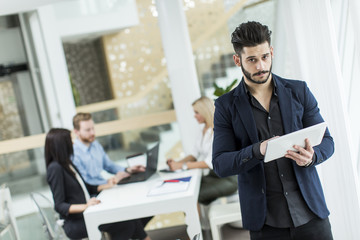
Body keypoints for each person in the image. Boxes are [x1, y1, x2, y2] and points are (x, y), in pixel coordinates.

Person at [212, 21, 334, 240]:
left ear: (272, 52)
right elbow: (221, 164)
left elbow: (327, 141)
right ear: (237, 60)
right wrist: (258, 150)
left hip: (311, 214)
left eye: (265, 57)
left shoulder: (299, 91)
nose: (260, 66)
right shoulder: (225, 107)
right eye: (252, 60)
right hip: (266, 222)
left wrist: (312, 156)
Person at [45, 128, 150, 240]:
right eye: (70, 140)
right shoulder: (55, 168)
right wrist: (86, 206)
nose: (73, 143)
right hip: (75, 223)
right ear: (61, 145)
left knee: (128, 217)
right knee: (126, 223)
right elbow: (59, 205)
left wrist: (108, 185)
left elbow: (86, 188)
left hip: (87, 213)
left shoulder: (67, 163)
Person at [167, 96, 237, 205]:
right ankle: (202, 219)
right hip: (213, 176)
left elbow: (210, 163)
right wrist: (177, 162)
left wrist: (182, 166)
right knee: (185, 190)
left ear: (205, 111)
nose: (194, 116)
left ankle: (200, 221)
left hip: (228, 180)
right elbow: (194, 154)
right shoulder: (204, 130)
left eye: (196, 112)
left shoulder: (219, 131)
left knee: (194, 196)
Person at [72, 112, 145, 185]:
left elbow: (108, 165)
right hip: (94, 192)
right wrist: (112, 180)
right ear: (76, 132)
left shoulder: (95, 144)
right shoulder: (74, 153)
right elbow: (86, 182)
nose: (92, 133)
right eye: (88, 130)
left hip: (105, 185)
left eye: (93, 128)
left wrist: (128, 170)